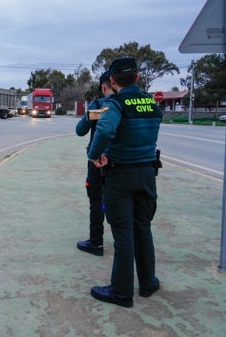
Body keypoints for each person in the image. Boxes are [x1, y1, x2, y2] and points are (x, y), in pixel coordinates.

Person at [87, 57, 162, 308]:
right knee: (143, 228)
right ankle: (148, 283)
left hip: (121, 176)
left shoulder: (115, 103)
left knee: (123, 232)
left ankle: (121, 291)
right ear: (138, 78)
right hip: (148, 175)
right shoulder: (151, 103)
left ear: (112, 80)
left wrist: (94, 155)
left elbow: (105, 130)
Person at [75, 70, 113, 256]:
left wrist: (94, 114)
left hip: (97, 161)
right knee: (121, 204)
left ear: (104, 86)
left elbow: (80, 130)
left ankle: (96, 242)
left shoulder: (99, 106)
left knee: (97, 202)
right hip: (123, 164)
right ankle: (127, 243)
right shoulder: (129, 104)